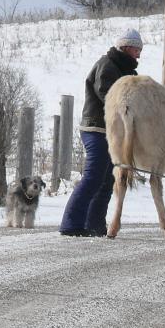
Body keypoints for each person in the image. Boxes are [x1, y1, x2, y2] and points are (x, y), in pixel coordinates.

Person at [59, 29, 143, 237]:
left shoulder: (126, 70)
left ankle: (94, 226)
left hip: (111, 132)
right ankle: (71, 225)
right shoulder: (107, 66)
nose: (139, 54)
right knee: (93, 177)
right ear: (126, 47)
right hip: (96, 128)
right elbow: (108, 96)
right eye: (136, 49)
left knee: (106, 181)